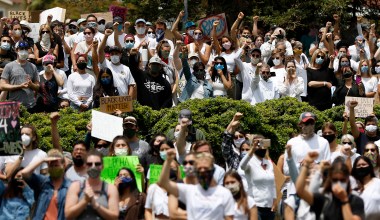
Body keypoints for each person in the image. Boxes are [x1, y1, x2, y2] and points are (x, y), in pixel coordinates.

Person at [157, 149, 235, 220]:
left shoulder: (224, 193)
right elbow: (163, 183)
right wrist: (168, 160)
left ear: (213, 169)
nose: (203, 171)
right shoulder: (190, 190)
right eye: (200, 169)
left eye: (206, 168)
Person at [296, 152, 365, 219]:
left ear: (348, 180)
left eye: (342, 180)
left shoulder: (355, 200)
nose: (338, 183)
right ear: (330, 180)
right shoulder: (324, 199)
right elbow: (300, 191)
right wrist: (306, 164)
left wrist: (344, 200)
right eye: (335, 180)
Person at [65, 149, 119, 219]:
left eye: (97, 164)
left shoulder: (110, 188)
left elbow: (114, 217)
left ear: (102, 166)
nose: (93, 167)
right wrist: (85, 201)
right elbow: (68, 215)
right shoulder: (76, 186)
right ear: (85, 166)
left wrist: (95, 205)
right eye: (89, 164)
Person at [20, 149, 72, 219]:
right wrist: (43, 160)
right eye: (51, 165)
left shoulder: (70, 186)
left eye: (56, 165)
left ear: (63, 165)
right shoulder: (43, 182)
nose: (53, 168)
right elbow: (24, 173)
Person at [239, 135, 276, 220]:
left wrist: (274, 200)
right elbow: (242, 165)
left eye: (262, 142)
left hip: (270, 207)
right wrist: (253, 149)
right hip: (255, 206)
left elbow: (273, 184)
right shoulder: (250, 162)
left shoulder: (269, 163)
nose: (259, 145)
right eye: (257, 143)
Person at [0, 41, 40, 113]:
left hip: (31, 106)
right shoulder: (9, 66)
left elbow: (38, 87)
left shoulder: (33, 66)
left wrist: (32, 85)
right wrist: (19, 86)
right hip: (14, 106)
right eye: (21, 48)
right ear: (16, 50)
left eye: (25, 49)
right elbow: (2, 86)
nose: (24, 51)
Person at [99, 29, 136, 97]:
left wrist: (129, 100)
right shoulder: (106, 64)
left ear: (121, 55)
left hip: (123, 101)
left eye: (116, 53)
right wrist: (106, 36)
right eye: (112, 54)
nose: (114, 55)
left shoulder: (126, 68)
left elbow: (131, 85)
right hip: (109, 99)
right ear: (109, 56)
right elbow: (100, 51)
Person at [168, 153, 198, 219]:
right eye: (185, 163)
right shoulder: (176, 186)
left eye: (191, 162)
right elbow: (173, 213)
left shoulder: (205, 186)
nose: (187, 165)